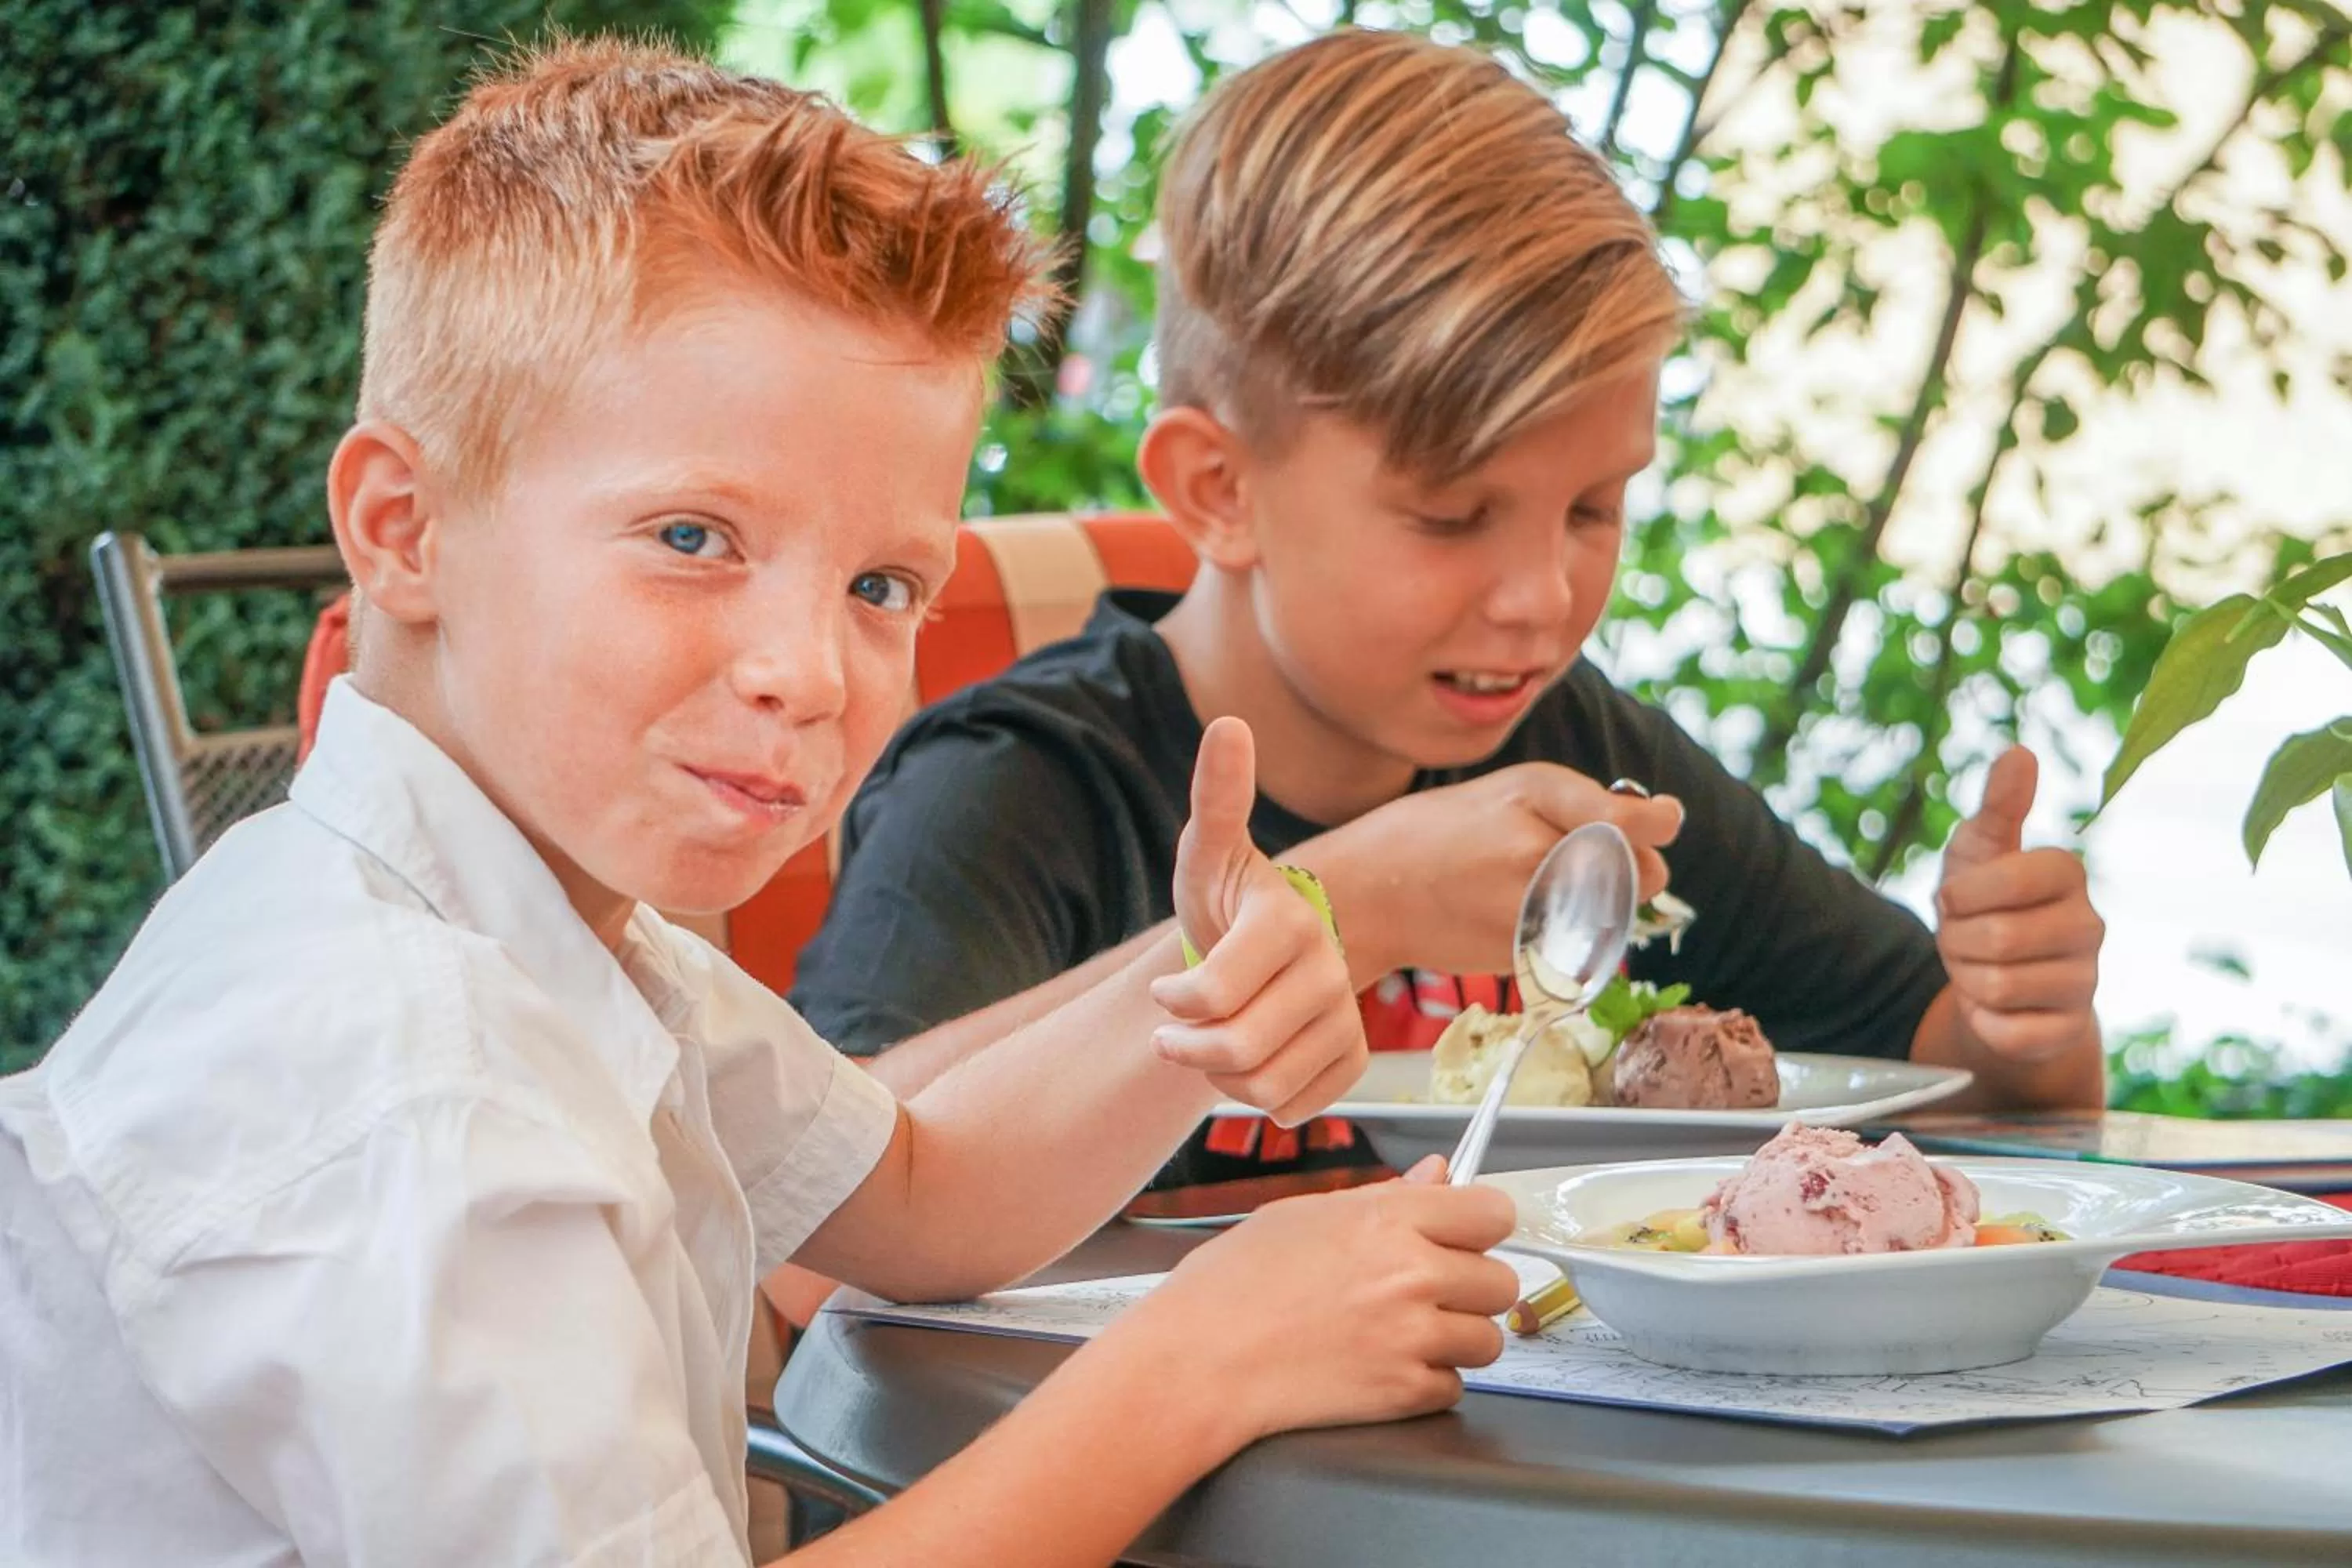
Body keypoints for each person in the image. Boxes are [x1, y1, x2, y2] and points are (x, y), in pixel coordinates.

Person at [0, 38, 1522, 1566]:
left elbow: (926, 1195)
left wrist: (1193, 1006)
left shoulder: (554, 930)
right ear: (405, 529)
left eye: (879, 585)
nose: (809, 669)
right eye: (692, 536)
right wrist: (1203, 1362)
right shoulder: (420, 1088)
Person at [791, 29, 2108, 1189]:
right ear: (1221, 487)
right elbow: (803, 1225)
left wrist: (2020, 1019)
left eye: (1594, 508)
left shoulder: (1581, 762)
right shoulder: (1029, 788)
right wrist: (1342, 903)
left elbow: (1973, 1095)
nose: (1544, 602)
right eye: (1450, 517)